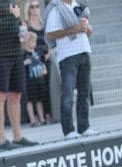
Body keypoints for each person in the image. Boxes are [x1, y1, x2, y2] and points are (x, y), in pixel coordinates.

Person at [0, 0, 31, 150]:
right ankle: (2, 141)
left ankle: (17, 138)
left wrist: (22, 31)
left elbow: (14, 22)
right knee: (1, 94)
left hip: (16, 52)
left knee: (16, 94)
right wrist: (12, 16)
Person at [45, 0, 94, 138]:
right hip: (67, 56)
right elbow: (50, 34)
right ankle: (68, 130)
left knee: (84, 93)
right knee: (68, 93)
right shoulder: (56, 8)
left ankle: (84, 127)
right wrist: (73, 29)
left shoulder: (78, 6)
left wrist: (87, 28)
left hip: (84, 51)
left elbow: (89, 30)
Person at [22, 1, 53, 126]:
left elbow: (51, 40)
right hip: (32, 60)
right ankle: (34, 118)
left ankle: (47, 115)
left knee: (45, 89)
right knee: (32, 91)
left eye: (37, 6)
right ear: (28, 9)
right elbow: (23, 42)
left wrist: (48, 54)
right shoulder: (25, 25)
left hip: (45, 58)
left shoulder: (44, 24)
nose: (35, 9)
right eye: (32, 6)